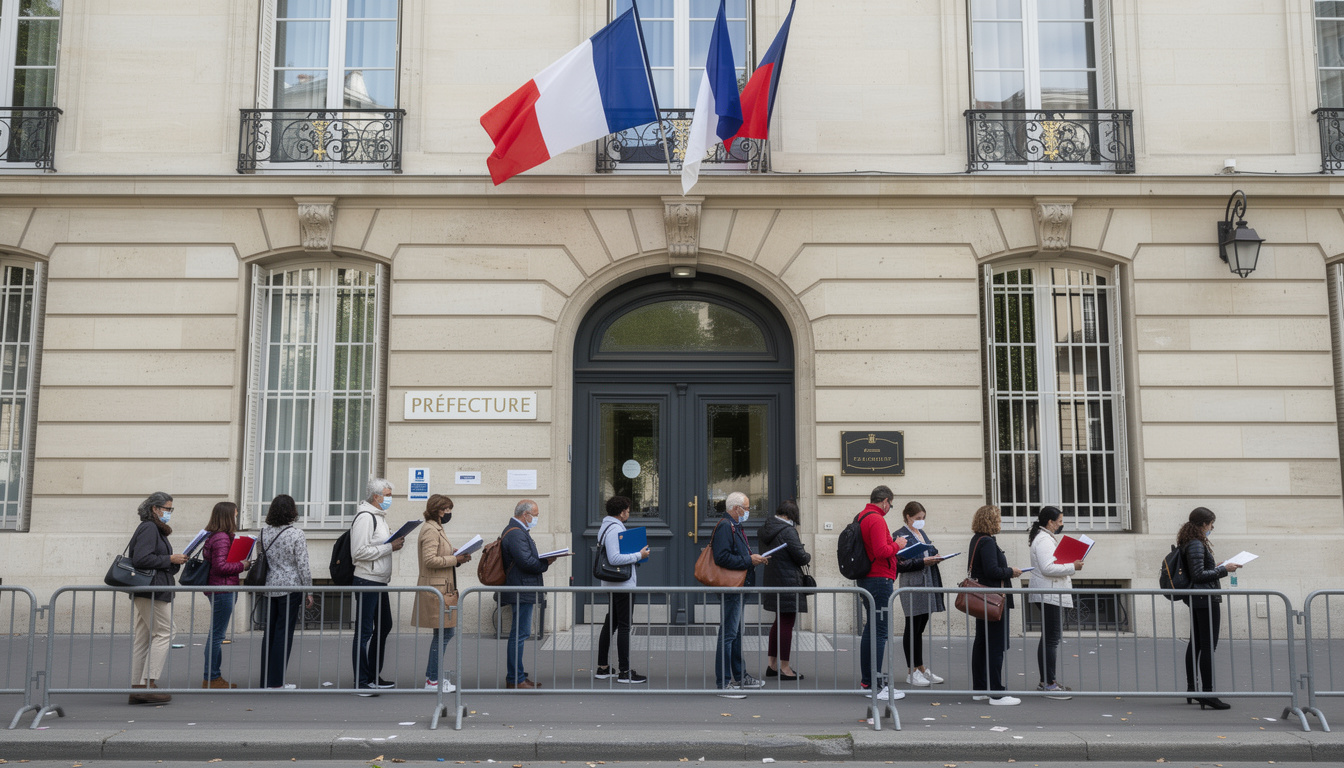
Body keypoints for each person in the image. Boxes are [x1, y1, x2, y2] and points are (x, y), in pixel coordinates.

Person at [127, 491, 186, 705]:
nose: (169, 513)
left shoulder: (152, 528)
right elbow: (142, 558)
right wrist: (170, 558)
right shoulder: (150, 528)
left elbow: (151, 559)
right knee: (166, 632)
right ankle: (148, 684)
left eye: (171, 509)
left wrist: (172, 562)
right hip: (151, 590)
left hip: (149, 590)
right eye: (167, 509)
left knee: (143, 638)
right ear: (155, 508)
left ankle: (137, 687)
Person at [1179, 506, 1240, 710]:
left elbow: (1200, 570)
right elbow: (1198, 576)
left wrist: (1220, 566)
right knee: (1207, 646)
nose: (1212, 527)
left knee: (1195, 643)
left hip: (1199, 598)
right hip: (1205, 599)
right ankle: (1208, 693)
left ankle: (1192, 690)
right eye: (1211, 523)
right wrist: (1224, 570)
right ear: (1203, 523)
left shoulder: (1190, 542)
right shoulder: (1196, 543)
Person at [350, 477, 406, 696]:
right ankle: (361, 681)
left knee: (384, 626)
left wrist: (393, 545)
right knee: (364, 631)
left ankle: (372, 675)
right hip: (367, 579)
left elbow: (379, 546)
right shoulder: (365, 517)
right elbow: (359, 552)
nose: (390, 498)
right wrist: (389, 547)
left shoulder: (379, 517)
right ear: (376, 497)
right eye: (387, 494)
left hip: (379, 579)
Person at [713, 491, 770, 696]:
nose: (748, 511)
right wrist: (749, 560)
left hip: (740, 585)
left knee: (735, 634)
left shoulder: (735, 526)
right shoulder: (725, 526)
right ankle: (724, 683)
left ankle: (740, 676)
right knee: (728, 635)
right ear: (736, 508)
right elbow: (721, 558)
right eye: (746, 508)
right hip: (733, 587)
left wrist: (752, 558)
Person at [855, 485, 908, 701]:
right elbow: (880, 551)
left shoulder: (861, 516)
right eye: (890, 505)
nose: (889, 508)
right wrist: (898, 544)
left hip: (870, 578)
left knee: (872, 629)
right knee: (879, 631)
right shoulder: (876, 518)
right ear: (885, 500)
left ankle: (869, 681)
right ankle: (874, 684)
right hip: (879, 579)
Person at [415, 494, 470, 692]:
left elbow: (438, 554)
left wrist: (455, 554)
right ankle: (432, 680)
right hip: (437, 590)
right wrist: (455, 559)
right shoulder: (431, 529)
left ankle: (433, 679)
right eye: (447, 509)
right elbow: (430, 560)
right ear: (438, 510)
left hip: (442, 588)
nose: (449, 513)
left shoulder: (436, 528)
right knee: (444, 635)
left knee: (444, 634)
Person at [967, 504, 1022, 706]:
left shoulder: (977, 539)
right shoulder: (988, 542)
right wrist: (1011, 571)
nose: (1000, 522)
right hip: (993, 600)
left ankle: (981, 689)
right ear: (991, 520)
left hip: (983, 599)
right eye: (998, 518)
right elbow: (992, 571)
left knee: (982, 643)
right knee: (995, 646)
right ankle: (996, 693)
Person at [1027, 505, 1082, 700]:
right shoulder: (1043, 540)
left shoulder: (1044, 538)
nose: (1061, 524)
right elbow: (1048, 567)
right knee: (1051, 639)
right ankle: (1049, 683)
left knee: (1049, 638)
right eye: (1059, 521)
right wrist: (1072, 566)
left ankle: (1047, 681)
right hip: (1049, 594)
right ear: (1050, 522)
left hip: (1050, 593)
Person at [501, 499, 557, 689]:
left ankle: (517, 676)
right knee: (520, 634)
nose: (536, 518)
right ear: (526, 515)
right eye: (536, 515)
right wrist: (545, 563)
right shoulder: (516, 533)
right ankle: (515, 679)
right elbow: (526, 561)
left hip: (522, 586)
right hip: (521, 588)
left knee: (520, 633)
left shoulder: (517, 531)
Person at [594, 495, 650, 684]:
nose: (628, 513)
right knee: (624, 626)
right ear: (621, 512)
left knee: (611, 623)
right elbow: (615, 558)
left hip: (614, 584)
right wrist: (639, 555)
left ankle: (603, 667)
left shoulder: (607, 526)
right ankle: (624, 671)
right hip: (621, 584)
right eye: (627, 510)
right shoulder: (615, 528)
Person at [259, 494, 313, 690]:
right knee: (284, 634)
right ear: (291, 512)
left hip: (269, 586)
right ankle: (276, 681)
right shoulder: (296, 534)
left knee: (270, 633)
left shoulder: (263, 532)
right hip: (290, 587)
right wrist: (309, 589)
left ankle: (266, 680)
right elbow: (303, 564)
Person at [892, 501, 948, 688]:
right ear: (908, 516)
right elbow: (899, 564)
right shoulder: (900, 535)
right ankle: (911, 671)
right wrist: (923, 561)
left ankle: (921, 667)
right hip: (912, 585)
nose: (921, 521)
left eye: (923, 518)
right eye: (918, 518)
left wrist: (936, 555)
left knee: (920, 627)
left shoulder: (920, 533)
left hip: (926, 582)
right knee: (912, 626)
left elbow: (928, 549)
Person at [201, 501, 252, 689]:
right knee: (217, 635)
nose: (236, 518)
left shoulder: (216, 536)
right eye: (236, 515)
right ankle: (212, 678)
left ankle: (213, 677)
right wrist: (243, 565)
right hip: (223, 589)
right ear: (228, 516)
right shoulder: (222, 538)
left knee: (216, 635)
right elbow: (221, 566)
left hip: (220, 588)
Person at [760, 500, 810, 681]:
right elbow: (801, 557)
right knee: (787, 623)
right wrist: (807, 554)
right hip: (788, 582)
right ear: (790, 516)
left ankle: (772, 665)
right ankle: (785, 667)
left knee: (778, 622)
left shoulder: (766, 528)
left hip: (772, 580)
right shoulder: (788, 531)